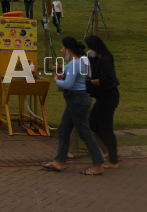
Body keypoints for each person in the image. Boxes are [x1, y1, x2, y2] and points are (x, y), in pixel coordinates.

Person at [43, 37, 105, 176]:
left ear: (68, 49)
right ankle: (58, 162)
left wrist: (57, 80)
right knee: (64, 129)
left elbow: (68, 84)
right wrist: (59, 70)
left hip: (77, 100)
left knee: (84, 133)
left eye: (62, 47)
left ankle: (98, 164)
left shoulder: (75, 63)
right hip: (76, 100)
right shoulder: (77, 62)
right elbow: (67, 72)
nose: (61, 50)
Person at [85, 35, 120, 168]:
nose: (89, 50)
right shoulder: (98, 59)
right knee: (93, 123)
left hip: (108, 98)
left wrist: (90, 83)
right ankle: (113, 151)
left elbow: (108, 79)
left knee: (106, 128)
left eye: (90, 47)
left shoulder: (105, 60)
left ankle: (113, 160)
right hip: (102, 97)